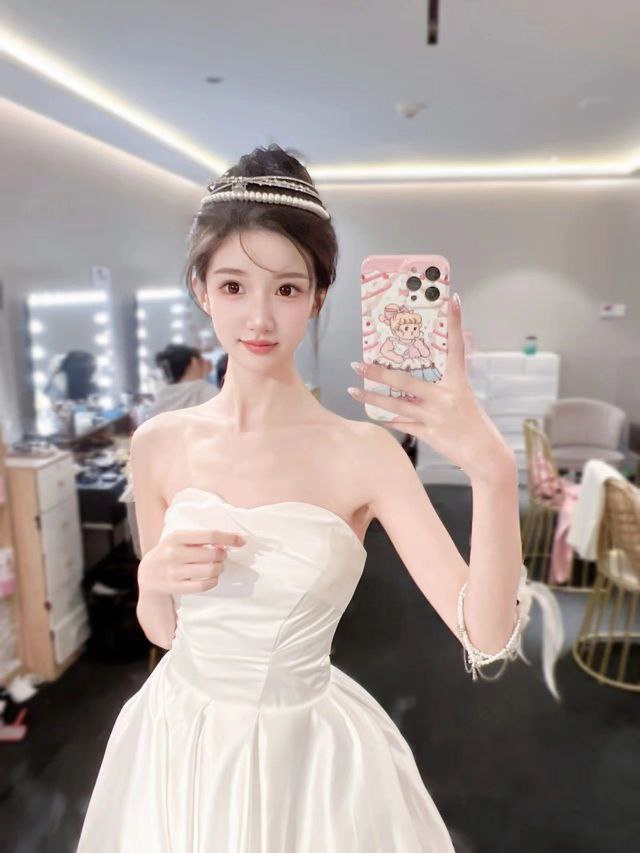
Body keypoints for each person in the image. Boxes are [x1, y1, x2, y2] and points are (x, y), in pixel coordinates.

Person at [77, 145, 561, 852]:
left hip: (305, 761)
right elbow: (165, 632)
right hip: (178, 740)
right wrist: (151, 579)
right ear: (202, 290)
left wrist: (491, 467)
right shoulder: (158, 443)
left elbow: (486, 636)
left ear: (318, 297)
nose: (259, 318)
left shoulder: (365, 453)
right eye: (234, 285)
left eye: (286, 289)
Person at [146, 343, 218, 418]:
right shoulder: (205, 391)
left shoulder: (160, 400)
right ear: (194, 362)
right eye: (202, 360)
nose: (205, 363)